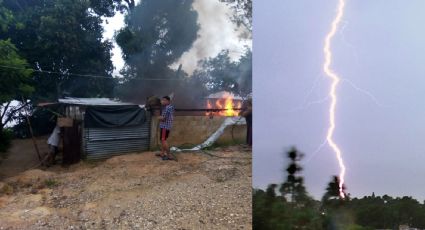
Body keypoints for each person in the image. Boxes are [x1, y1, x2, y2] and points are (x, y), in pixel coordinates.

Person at [157, 96, 175, 160]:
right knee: (163, 140)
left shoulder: (167, 108)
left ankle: (169, 155)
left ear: (168, 101)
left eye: (164, 100)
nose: (162, 101)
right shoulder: (170, 107)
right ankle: (162, 153)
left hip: (165, 126)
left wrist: (158, 117)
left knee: (163, 140)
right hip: (166, 126)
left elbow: (163, 118)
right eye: (162, 100)